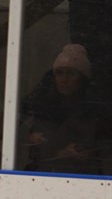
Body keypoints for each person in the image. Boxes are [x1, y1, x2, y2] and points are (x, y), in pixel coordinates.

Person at [21, 44, 107, 174]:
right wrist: (29, 138)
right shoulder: (38, 106)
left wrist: (87, 152)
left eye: (71, 73)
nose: (64, 80)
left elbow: (104, 147)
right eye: (59, 73)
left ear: (82, 78)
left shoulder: (96, 110)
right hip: (39, 175)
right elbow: (11, 138)